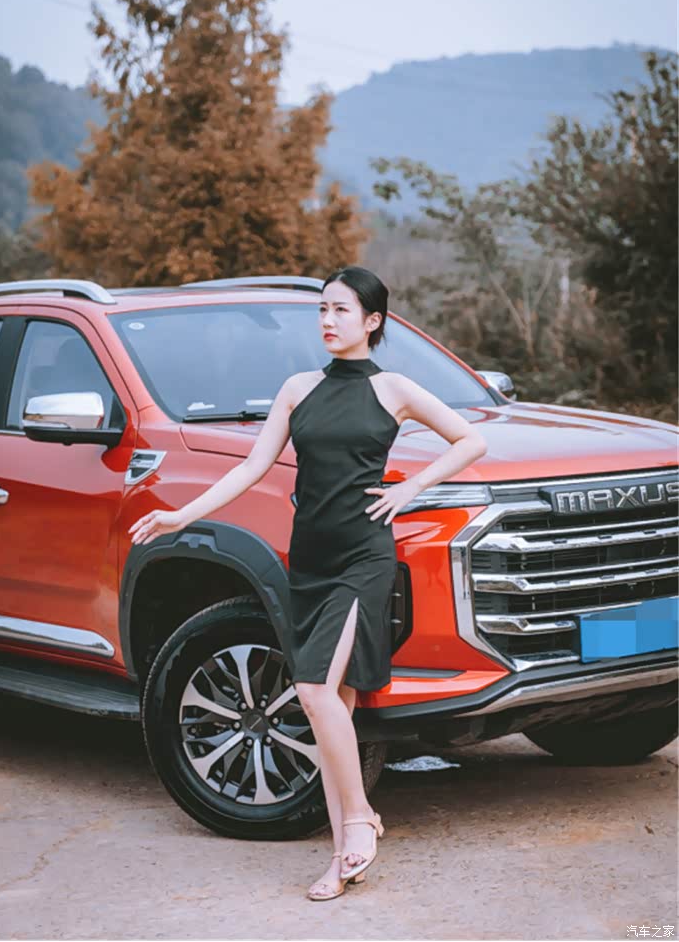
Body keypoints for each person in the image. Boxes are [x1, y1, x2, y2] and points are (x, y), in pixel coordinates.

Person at [129, 265, 488, 900]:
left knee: (313, 689)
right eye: (322, 309)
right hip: (311, 560)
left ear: (372, 321)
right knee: (334, 710)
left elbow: (470, 441)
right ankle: (341, 852)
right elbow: (252, 467)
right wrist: (181, 515)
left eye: (341, 310)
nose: (327, 320)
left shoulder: (394, 389)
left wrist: (409, 488)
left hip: (363, 557)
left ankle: (361, 821)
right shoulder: (298, 388)